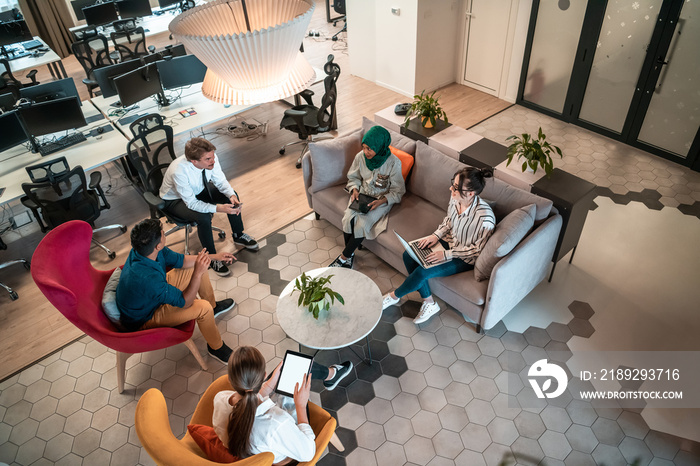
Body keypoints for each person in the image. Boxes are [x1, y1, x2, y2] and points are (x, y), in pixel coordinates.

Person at [382, 167, 496, 324]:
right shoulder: (455, 198)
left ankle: (393, 297)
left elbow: (477, 251)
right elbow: (449, 220)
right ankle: (429, 303)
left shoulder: (485, 219)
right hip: (449, 241)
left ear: (470, 194)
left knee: (423, 271)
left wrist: (446, 255)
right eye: (452, 184)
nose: (451, 189)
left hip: (464, 257)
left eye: (456, 187)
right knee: (408, 254)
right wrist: (435, 236)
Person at [116, 218, 236, 363]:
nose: (164, 234)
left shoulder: (144, 251)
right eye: (163, 234)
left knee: (199, 263)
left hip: (152, 295)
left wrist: (214, 257)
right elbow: (185, 302)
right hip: (146, 317)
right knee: (203, 307)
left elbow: (182, 260)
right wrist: (197, 273)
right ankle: (216, 348)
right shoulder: (146, 279)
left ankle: (214, 308)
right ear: (158, 245)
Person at [212, 347, 353, 464]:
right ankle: (330, 375)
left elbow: (248, 400)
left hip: (259, 446)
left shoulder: (220, 398)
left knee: (287, 372)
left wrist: (268, 385)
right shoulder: (278, 423)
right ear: (263, 375)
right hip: (283, 457)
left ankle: (330, 375)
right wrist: (301, 406)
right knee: (300, 370)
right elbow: (308, 453)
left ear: (230, 380)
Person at [160, 137, 258, 277]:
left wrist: (231, 194)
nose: (213, 160)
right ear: (194, 161)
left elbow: (220, 180)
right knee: (203, 216)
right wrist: (219, 208)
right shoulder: (179, 171)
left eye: (212, 156)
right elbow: (192, 203)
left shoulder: (211, 158)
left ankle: (238, 235)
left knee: (231, 196)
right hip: (175, 200)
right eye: (208, 159)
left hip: (198, 190)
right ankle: (212, 258)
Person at [329, 126, 405, 269]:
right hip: (362, 195)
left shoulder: (394, 163)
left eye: (369, 149)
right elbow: (354, 177)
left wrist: (382, 201)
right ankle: (349, 256)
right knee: (347, 219)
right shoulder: (360, 157)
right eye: (364, 147)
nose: (365, 152)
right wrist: (355, 189)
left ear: (380, 146)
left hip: (381, 200)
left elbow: (398, 190)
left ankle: (342, 259)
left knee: (362, 224)